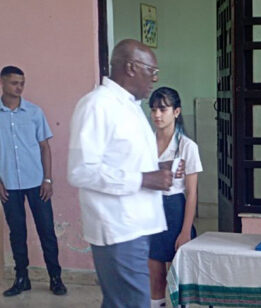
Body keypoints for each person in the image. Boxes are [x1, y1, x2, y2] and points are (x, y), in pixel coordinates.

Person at [67, 39, 182, 308]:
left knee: (121, 302)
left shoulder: (130, 106)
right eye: (151, 71)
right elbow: (80, 170)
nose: (154, 79)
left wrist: (157, 171)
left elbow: (123, 160)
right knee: (133, 303)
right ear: (131, 67)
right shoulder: (98, 105)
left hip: (135, 226)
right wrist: (144, 179)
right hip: (117, 227)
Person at [0, 65, 67, 296]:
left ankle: (55, 278)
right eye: (14, 83)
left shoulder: (34, 112)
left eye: (22, 83)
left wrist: (48, 179)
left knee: (46, 230)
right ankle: (22, 278)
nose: (19, 87)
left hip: (37, 183)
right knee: (16, 232)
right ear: (2, 83)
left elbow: (45, 148)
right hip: (8, 185)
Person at [148, 87, 202, 308]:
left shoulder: (187, 147)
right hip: (150, 210)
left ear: (177, 111)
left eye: (163, 109)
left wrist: (185, 230)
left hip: (175, 211)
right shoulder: (145, 143)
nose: (157, 115)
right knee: (155, 274)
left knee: (179, 278)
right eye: (153, 109)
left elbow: (192, 193)